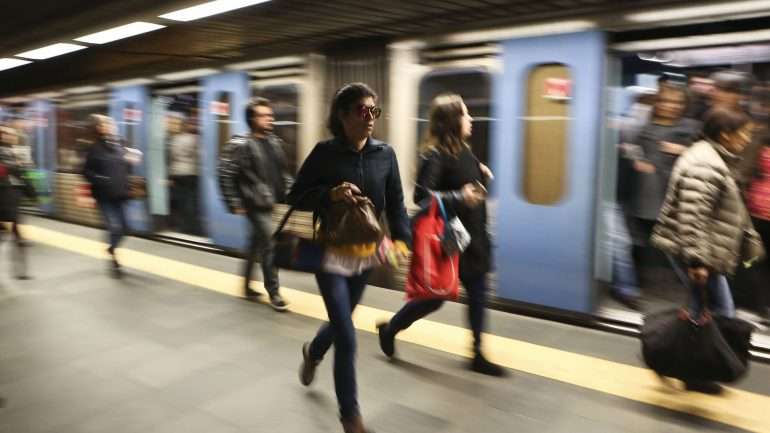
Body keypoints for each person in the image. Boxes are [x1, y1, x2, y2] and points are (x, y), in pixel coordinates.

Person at [291, 83, 410, 433]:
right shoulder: (324, 153)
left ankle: (313, 351)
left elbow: (397, 201)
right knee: (347, 333)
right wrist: (330, 194)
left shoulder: (385, 154)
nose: (370, 118)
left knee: (340, 322)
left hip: (365, 256)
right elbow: (295, 196)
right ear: (342, 115)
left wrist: (402, 241)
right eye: (361, 110)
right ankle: (351, 417)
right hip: (329, 255)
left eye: (374, 111)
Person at [376, 93, 505, 377]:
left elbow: (464, 181)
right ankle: (391, 328)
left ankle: (478, 353)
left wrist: (480, 173)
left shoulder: (465, 150)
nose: (470, 119)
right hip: (451, 240)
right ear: (451, 122)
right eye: (465, 114)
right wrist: (460, 195)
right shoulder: (434, 155)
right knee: (433, 299)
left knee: (479, 294)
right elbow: (423, 196)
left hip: (475, 237)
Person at [651, 107, 765, 394]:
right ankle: (684, 368)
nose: (747, 140)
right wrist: (697, 260)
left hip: (702, 250)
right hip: (697, 252)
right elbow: (693, 217)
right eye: (744, 134)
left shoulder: (711, 156)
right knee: (718, 311)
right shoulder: (705, 164)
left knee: (701, 309)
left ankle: (672, 362)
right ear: (725, 135)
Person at [220, 98, 293, 311]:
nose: (270, 118)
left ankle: (245, 287)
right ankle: (275, 293)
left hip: (273, 202)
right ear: (252, 119)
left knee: (255, 245)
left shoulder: (274, 142)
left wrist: (293, 192)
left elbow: (283, 173)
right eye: (264, 115)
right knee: (270, 244)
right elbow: (226, 174)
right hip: (254, 202)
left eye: (270, 115)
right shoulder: (240, 144)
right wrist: (233, 202)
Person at [83, 114, 131, 277]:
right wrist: (101, 180)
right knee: (115, 227)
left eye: (111, 123)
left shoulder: (120, 144)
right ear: (99, 129)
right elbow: (85, 171)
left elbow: (124, 166)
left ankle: (111, 248)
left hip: (120, 193)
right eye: (105, 124)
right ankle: (113, 257)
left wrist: (131, 160)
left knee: (125, 229)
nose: (110, 126)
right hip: (104, 196)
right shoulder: (94, 148)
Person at [745, 131, 770, 321]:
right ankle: (759, 305)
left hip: (757, 210)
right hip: (758, 213)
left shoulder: (758, 141)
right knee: (755, 261)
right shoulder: (758, 141)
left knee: (756, 261)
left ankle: (760, 305)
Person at [0, 125, 30, 279]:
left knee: (17, 234)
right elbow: (5, 171)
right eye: (7, 134)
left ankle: (21, 271)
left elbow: (21, 174)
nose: (11, 136)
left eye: (12, 134)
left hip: (11, 199)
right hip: (3, 199)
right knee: (9, 234)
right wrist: (15, 166)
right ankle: (20, 270)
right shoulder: (5, 152)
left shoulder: (13, 151)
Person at [166, 112, 200, 234]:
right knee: (191, 201)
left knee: (181, 201)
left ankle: (181, 226)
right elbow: (198, 156)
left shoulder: (175, 139)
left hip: (177, 173)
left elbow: (172, 156)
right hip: (192, 173)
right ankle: (191, 227)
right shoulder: (195, 139)